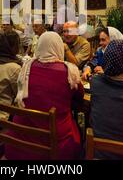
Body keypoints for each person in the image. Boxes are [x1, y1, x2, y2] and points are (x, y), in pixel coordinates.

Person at [6, 32, 84, 160]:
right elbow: (79, 95)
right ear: (59, 47)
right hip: (55, 144)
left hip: (19, 141)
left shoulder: (27, 67)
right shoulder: (69, 71)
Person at [0, 31, 23, 120]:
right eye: (18, 44)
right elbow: (20, 95)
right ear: (11, 47)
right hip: (4, 115)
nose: (19, 46)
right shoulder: (14, 68)